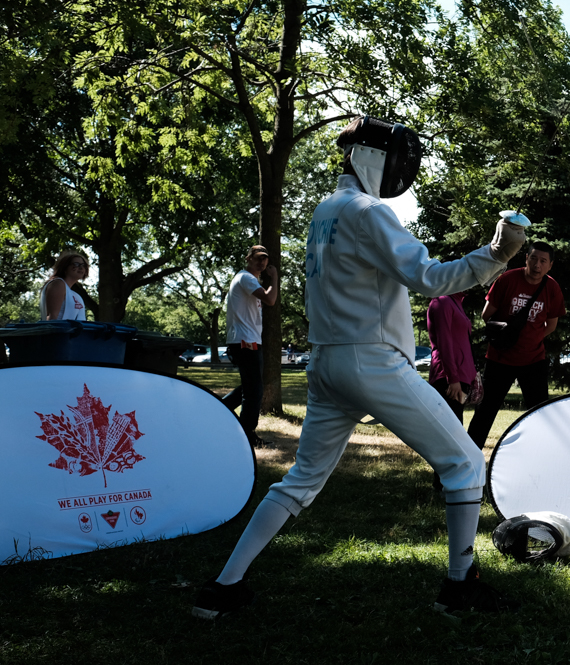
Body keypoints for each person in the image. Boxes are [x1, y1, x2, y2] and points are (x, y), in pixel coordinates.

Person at [192, 115, 527, 619]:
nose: (402, 169)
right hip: (370, 360)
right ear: (372, 157)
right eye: (397, 159)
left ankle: (223, 588)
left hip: (325, 360)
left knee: (300, 479)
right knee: (464, 464)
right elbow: (431, 279)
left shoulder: (325, 209)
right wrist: (498, 253)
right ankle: (461, 588)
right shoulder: (369, 211)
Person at [466, 242, 565, 449]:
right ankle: (470, 457)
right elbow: (487, 315)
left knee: (540, 413)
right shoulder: (507, 279)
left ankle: (540, 454)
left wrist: (531, 338)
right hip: (498, 359)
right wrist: (508, 334)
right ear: (526, 259)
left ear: (550, 265)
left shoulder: (552, 287)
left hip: (533, 361)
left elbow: (551, 325)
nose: (537, 264)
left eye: (543, 261)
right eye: (534, 259)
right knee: (485, 413)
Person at [221, 245, 279, 448]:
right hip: (246, 342)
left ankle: (218, 410)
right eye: (257, 259)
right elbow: (271, 299)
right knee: (254, 391)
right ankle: (246, 434)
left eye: (265, 259)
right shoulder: (246, 278)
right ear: (248, 259)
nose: (262, 263)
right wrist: (274, 278)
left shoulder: (247, 279)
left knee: (250, 386)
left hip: (244, 341)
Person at [426, 290, 476, 491]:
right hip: (448, 377)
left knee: (454, 430)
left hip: (459, 377)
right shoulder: (442, 302)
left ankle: (448, 482)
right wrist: (453, 379)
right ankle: (442, 484)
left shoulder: (457, 302)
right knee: (448, 432)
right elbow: (444, 341)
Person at [40, 250, 90, 321]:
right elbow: (51, 317)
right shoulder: (58, 283)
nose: (81, 268)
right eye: (76, 264)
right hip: (58, 331)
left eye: (83, 265)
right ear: (65, 267)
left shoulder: (76, 295)